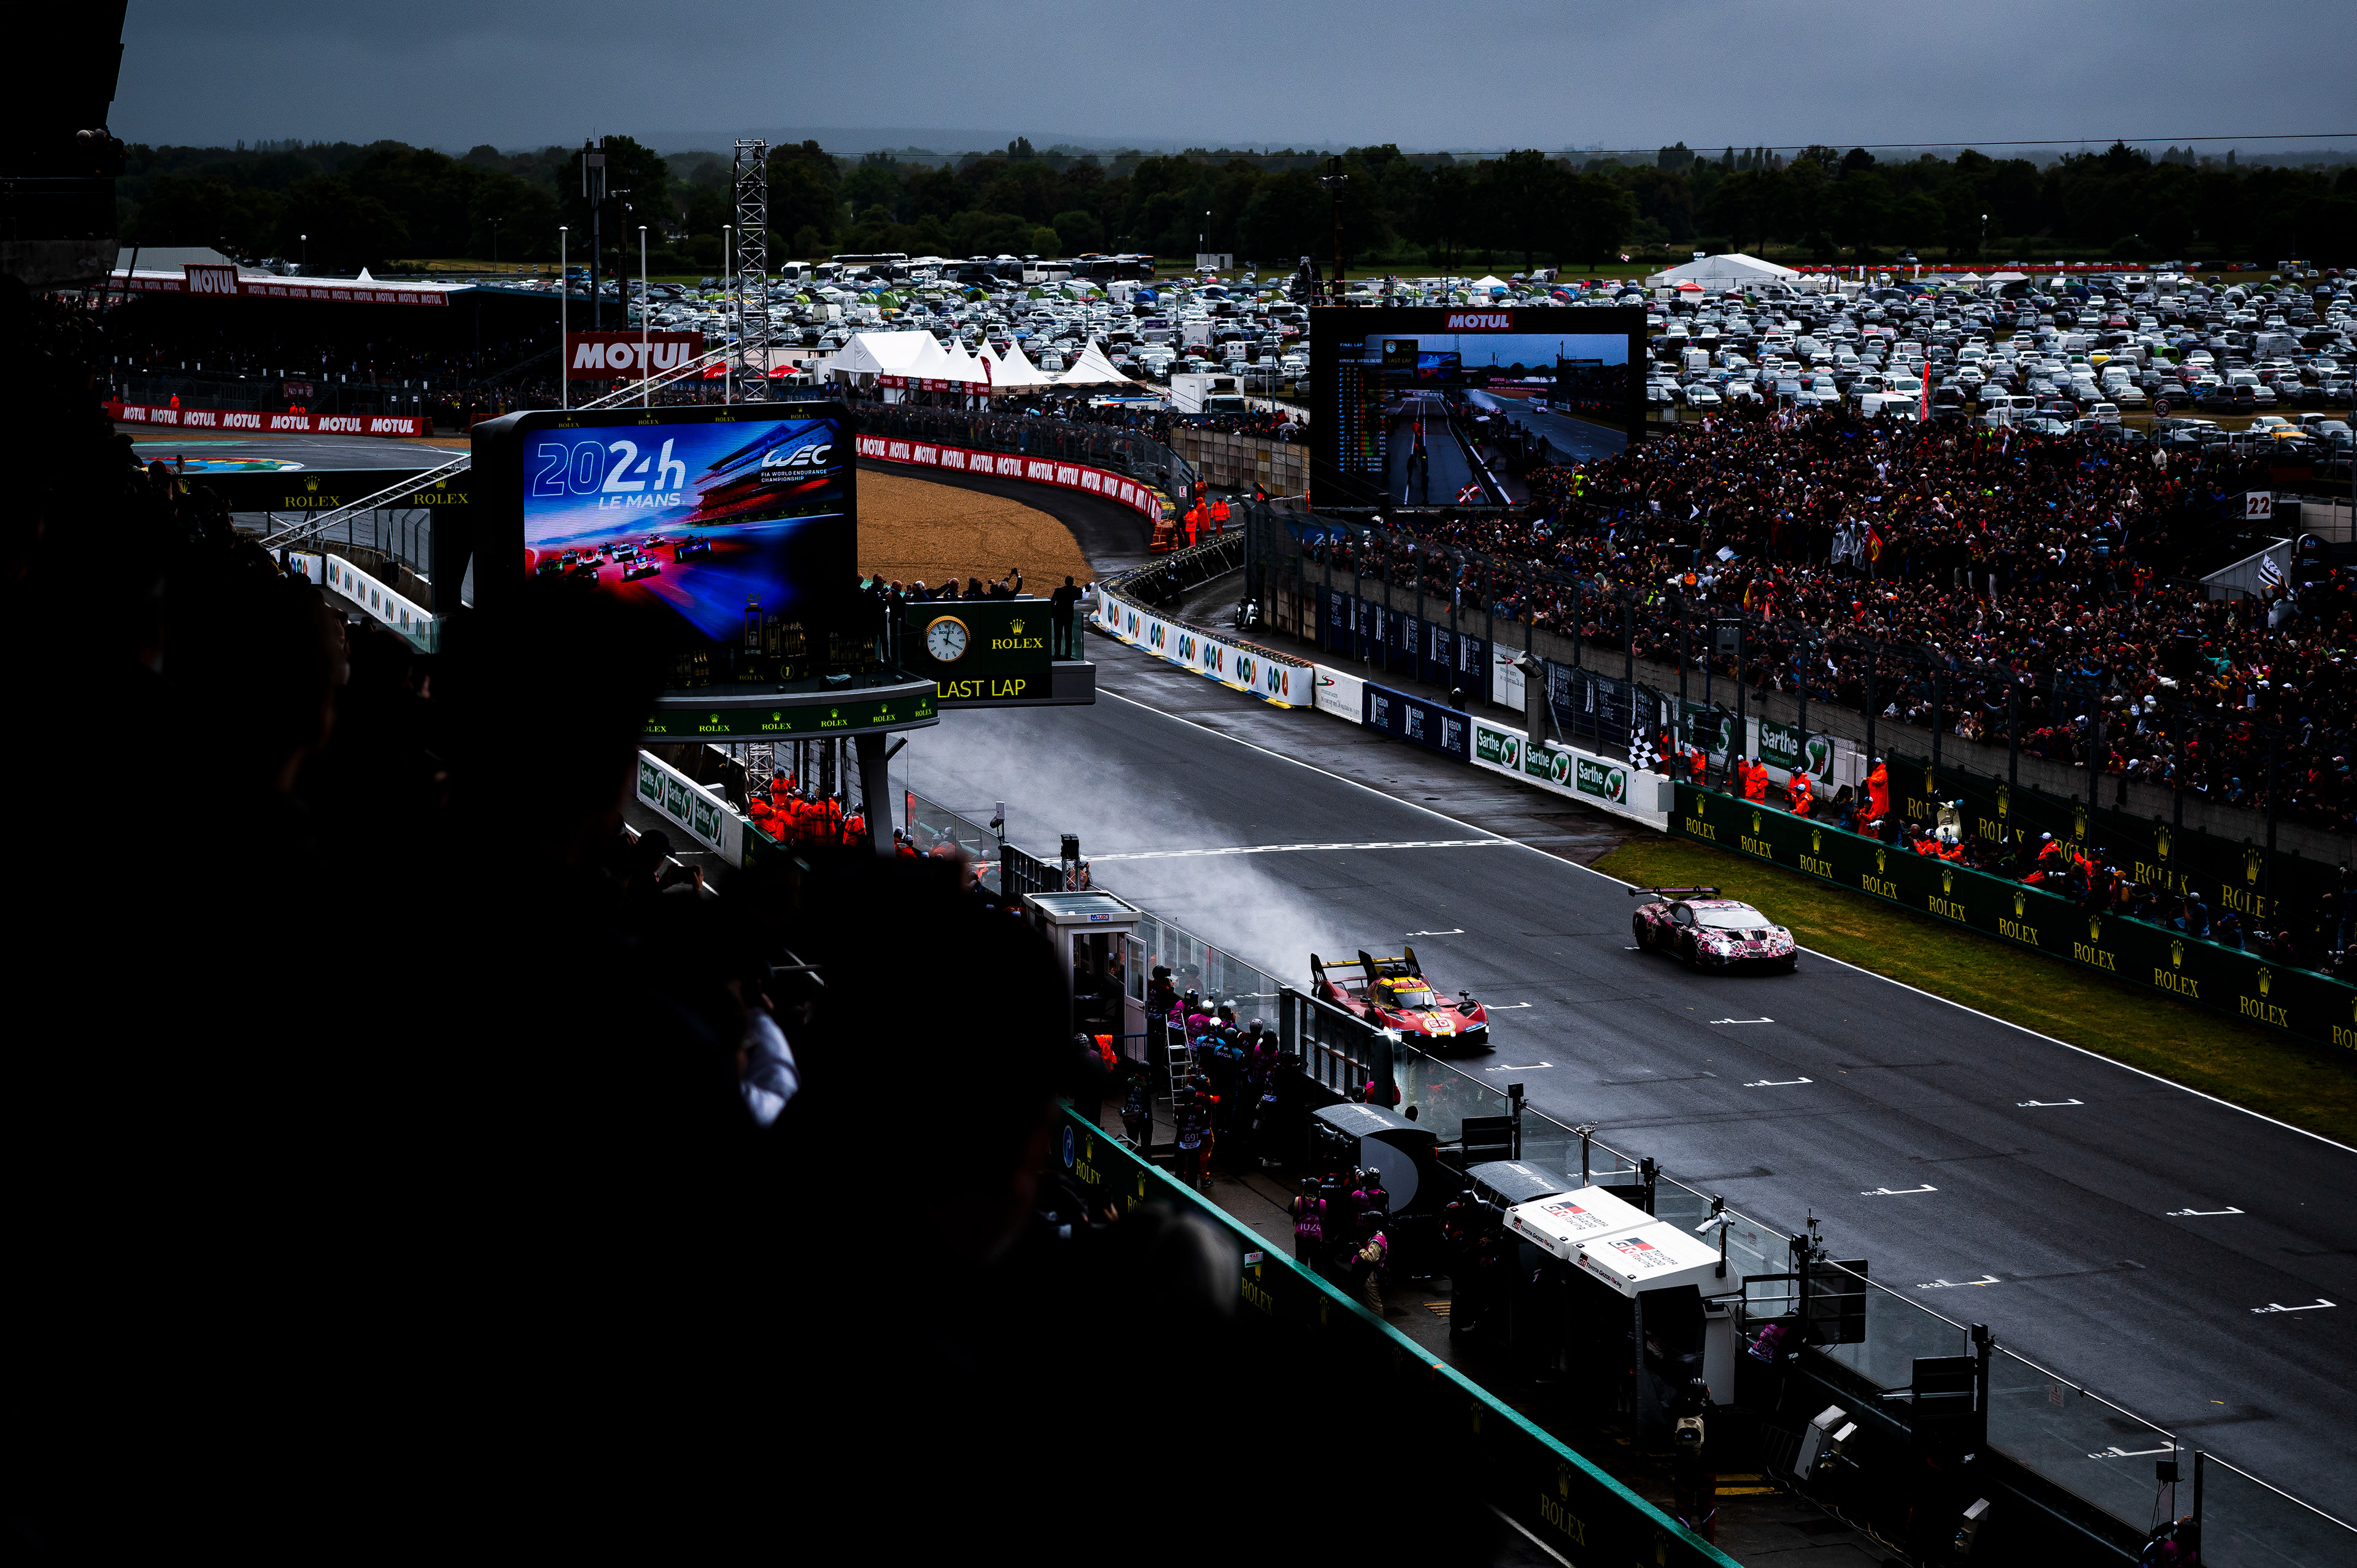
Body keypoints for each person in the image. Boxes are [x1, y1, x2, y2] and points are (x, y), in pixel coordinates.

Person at [1669, 1378, 1717, 1545]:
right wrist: (1709, 1401)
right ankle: (1710, 1550)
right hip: (1706, 1469)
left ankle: (1681, 1545)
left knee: (1683, 1511)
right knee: (1707, 1510)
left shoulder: (1678, 1412)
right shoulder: (1710, 1414)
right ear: (1705, 1393)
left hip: (1683, 1470)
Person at [1050, 574, 1082, 659]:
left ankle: (1057, 654)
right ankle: (1068, 655)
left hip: (1058, 616)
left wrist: (1053, 613)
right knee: (1068, 636)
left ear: (1065, 582)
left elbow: (1052, 602)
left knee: (1058, 636)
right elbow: (1080, 596)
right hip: (1069, 616)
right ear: (1072, 582)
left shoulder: (1058, 591)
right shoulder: (1074, 590)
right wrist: (1078, 589)